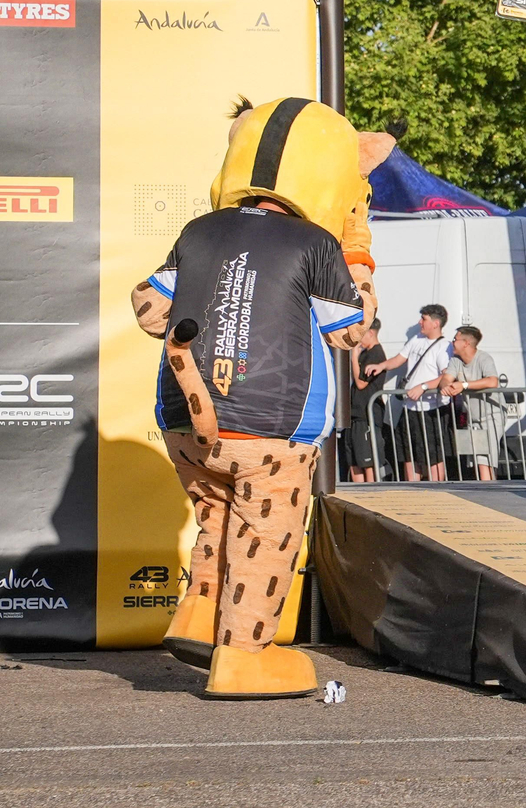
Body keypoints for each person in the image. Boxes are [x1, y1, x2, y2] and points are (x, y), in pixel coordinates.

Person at [132, 197, 366, 697]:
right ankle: (245, 657)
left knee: (216, 522)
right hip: (272, 429)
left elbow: (150, 312)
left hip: (186, 425)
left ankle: (199, 620)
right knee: (264, 539)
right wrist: (360, 263)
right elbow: (350, 331)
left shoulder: (199, 230)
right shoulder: (315, 241)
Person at [368, 304, 455, 481]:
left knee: (433, 453)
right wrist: (381, 366)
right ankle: (411, 488)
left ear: (436, 323)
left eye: (424, 319)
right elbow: (399, 359)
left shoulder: (444, 347)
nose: (420, 322)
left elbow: (447, 376)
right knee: (408, 451)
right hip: (410, 407)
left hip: (432, 409)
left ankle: (437, 490)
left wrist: (422, 387)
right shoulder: (416, 340)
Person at [441, 325, 502, 481]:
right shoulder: (455, 361)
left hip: (491, 414)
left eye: (455, 339)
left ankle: (488, 491)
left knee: (485, 458)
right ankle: (489, 488)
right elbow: (446, 379)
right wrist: (445, 387)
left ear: (466, 343)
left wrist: (465, 385)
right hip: (473, 416)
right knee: (477, 456)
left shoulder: (483, 358)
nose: (452, 343)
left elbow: (492, 381)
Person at [343, 319, 388, 482]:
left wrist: (354, 358)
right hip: (355, 413)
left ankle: (372, 489)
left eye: (361, 334)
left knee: (367, 459)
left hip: (367, 414)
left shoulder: (376, 353)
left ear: (370, 333)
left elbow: (362, 383)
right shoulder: (365, 352)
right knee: (354, 459)